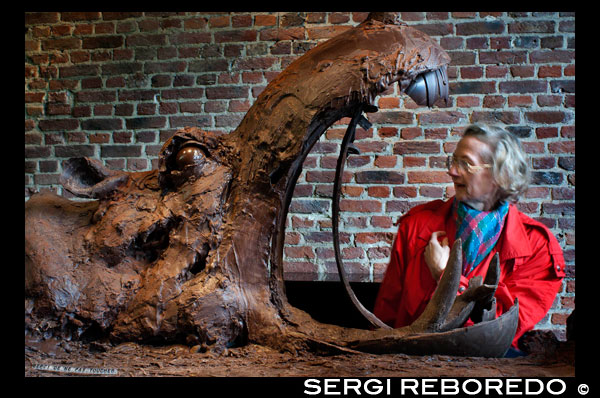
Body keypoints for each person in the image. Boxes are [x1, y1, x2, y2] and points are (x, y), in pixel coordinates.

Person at [373, 124, 565, 352]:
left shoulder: (538, 247)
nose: (452, 171)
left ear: (499, 174)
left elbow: (496, 330)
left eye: (465, 163)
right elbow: (385, 320)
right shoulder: (415, 226)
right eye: (453, 161)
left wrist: (444, 275)